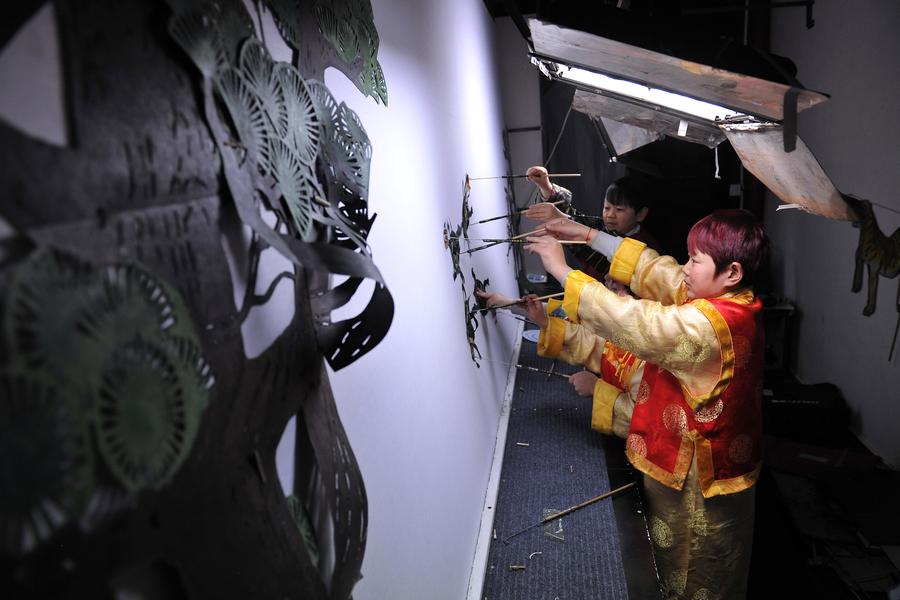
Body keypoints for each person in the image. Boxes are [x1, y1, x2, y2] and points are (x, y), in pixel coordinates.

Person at [524, 209, 768, 600]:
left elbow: (634, 322)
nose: (685, 268)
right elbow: (660, 271)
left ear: (732, 272)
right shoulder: (726, 299)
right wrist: (586, 235)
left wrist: (562, 270)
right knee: (667, 562)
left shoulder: (709, 327)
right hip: (687, 466)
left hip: (699, 485)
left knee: (692, 577)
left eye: (696, 260)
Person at [522, 166, 662, 282]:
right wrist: (545, 185)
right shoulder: (604, 227)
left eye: (619, 210)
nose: (610, 215)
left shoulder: (645, 247)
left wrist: (562, 219)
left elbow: (601, 257)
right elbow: (581, 221)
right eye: (607, 208)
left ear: (641, 214)